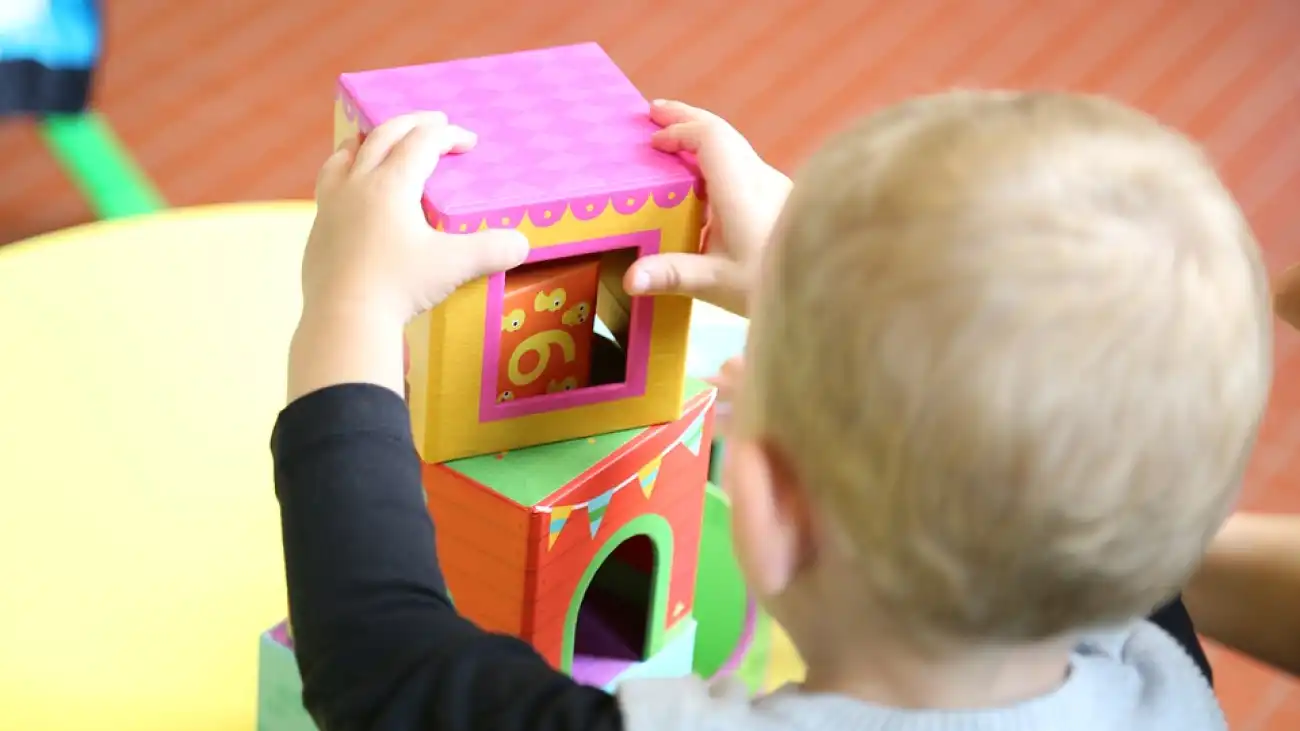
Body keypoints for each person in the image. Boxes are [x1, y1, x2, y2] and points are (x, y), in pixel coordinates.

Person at [276, 92, 1271, 730]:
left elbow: (378, 656)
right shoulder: (1163, 677)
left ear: (771, 508)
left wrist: (349, 309)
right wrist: (813, 296)